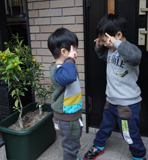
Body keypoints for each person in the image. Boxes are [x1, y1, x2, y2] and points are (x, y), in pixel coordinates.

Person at [84, 14, 146, 160]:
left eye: (106, 41)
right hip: (111, 102)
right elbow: (102, 56)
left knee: (129, 133)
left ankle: (139, 155)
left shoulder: (129, 50)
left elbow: (136, 57)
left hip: (127, 105)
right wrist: (99, 47)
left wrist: (117, 44)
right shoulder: (111, 51)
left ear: (118, 35)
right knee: (105, 126)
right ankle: (98, 145)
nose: (105, 44)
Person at [48, 28, 85, 160]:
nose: (76, 53)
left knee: (74, 141)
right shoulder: (58, 71)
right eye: (74, 50)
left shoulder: (64, 68)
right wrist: (69, 59)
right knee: (70, 147)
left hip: (70, 115)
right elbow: (69, 77)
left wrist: (68, 59)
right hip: (66, 119)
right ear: (64, 52)